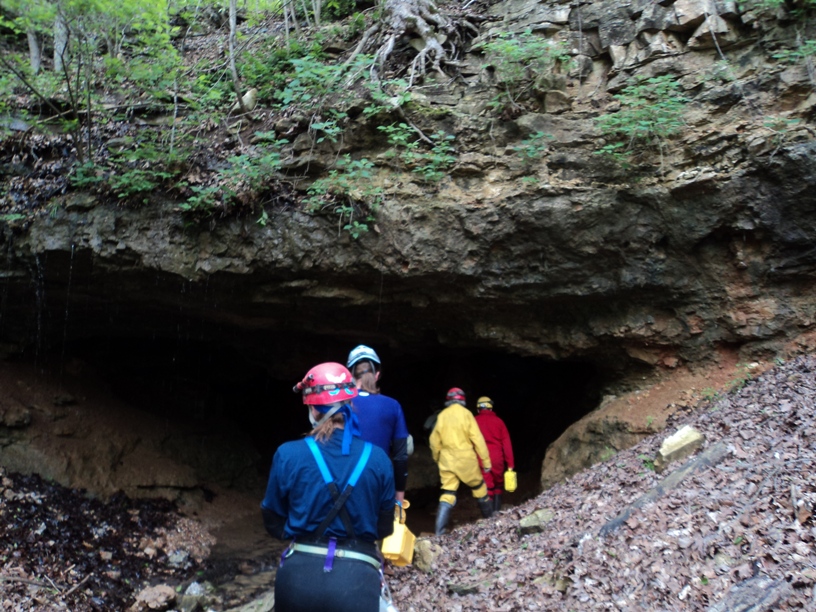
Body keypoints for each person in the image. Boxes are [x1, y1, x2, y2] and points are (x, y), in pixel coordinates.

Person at [261, 362, 396, 612]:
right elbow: (384, 527)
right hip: (357, 582)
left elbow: (272, 519)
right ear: (351, 404)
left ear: (312, 408)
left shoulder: (287, 454)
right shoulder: (378, 459)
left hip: (297, 580)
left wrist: (303, 529)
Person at [346, 345, 410, 504]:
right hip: (379, 482)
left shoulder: (341, 405)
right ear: (377, 374)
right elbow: (401, 455)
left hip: (344, 480)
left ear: (350, 375)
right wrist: (399, 493)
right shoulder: (393, 405)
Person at [429, 387, 494, 535]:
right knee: (479, 488)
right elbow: (478, 439)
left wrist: (437, 457)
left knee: (448, 493)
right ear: (462, 399)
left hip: (447, 460)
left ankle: (439, 532)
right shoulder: (467, 415)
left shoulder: (442, 416)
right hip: (466, 460)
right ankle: (491, 522)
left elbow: (434, 441)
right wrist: (486, 462)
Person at [474, 396, 515, 512]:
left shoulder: (473, 422)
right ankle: (496, 514)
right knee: (498, 485)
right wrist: (510, 465)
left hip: (481, 458)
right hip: (497, 458)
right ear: (491, 408)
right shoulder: (499, 422)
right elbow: (507, 445)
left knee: (487, 487)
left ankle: (488, 518)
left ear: (478, 409)